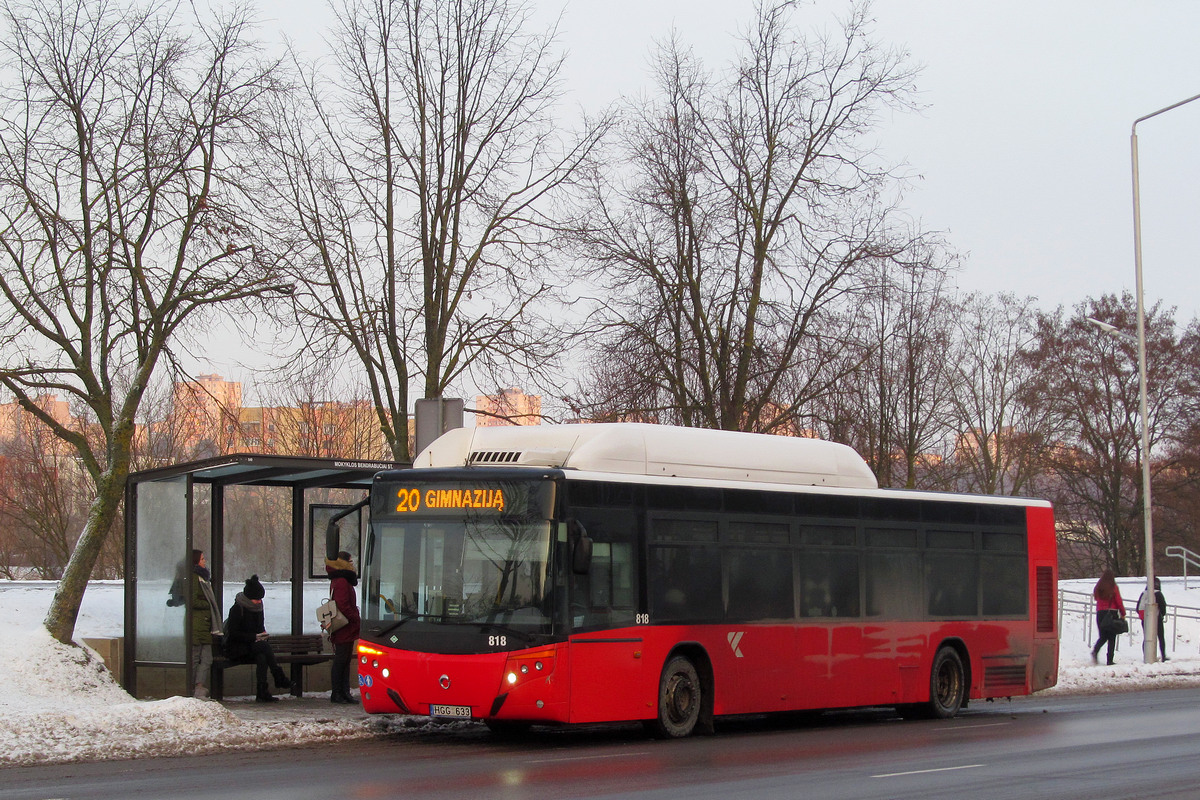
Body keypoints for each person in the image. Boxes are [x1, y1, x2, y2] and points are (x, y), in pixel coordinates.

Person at [223, 575, 291, 702]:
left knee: (262, 656)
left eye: (261, 599)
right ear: (249, 597)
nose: (259, 601)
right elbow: (233, 634)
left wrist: (262, 634)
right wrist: (254, 637)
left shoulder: (258, 607)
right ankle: (278, 676)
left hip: (252, 647)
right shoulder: (237, 609)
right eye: (257, 599)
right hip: (237, 649)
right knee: (263, 648)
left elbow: (260, 627)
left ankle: (262, 692)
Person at [324, 551, 361, 704]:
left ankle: (343, 692)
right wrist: (355, 617)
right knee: (341, 660)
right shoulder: (342, 581)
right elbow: (343, 605)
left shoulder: (338, 579)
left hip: (345, 626)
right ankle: (338, 692)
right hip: (344, 626)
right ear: (344, 563)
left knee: (344, 660)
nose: (352, 564)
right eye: (349, 561)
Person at [189, 549, 223, 699]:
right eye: (202, 559)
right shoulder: (194, 579)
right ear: (196, 561)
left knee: (207, 658)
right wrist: (207, 604)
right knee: (196, 657)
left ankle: (199, 686)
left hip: (206, 625)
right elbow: (192, 600)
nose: (204, 561)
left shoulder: (204, 579)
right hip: (197, 626)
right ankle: (194, 688)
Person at [1091, 568, 1127, 666]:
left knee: (1103, 636)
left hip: (1100, 614)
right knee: (1111, 637)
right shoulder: (1113, 587)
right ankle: (1109, 660)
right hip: (1111, 613)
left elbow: (1096, 598)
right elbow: (1118, 601)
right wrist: (1123, 613)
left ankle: (1095, 651)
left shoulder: (1098, 587)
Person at [1137, 577, 1169, 662]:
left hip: (1145, 619)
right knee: (1160, 637)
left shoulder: (1143, 593)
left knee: (1147, 638)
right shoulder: (1158, 593)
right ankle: (1163, 655)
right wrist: (1161, 615)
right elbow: (1163, 607)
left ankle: (1146, 656)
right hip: (1156, 618)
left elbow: (1137, 608)